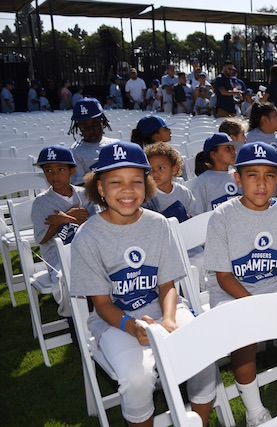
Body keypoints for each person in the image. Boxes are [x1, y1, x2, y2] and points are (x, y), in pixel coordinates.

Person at [70, 141, 215, 427]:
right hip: (116, 321)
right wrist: (132, 327)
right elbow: (101, 304)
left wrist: (170, 320)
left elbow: (167, 285)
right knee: (138, 378)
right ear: (99, 188)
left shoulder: (159, 224)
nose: (127, 190)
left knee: (202, 355)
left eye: (136, 181)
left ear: (147, 185)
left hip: (164, 309)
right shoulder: (88, 237)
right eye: (115, 182)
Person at [203, 141, 277, 423]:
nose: (261, 183)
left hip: (275, 285)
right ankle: (254, 410)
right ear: (238, 178)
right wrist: (255, 306)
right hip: (233, 291)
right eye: (252, 175)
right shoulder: (222, 217)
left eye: (269, 175)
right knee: (244, 330)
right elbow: (224, 277)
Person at [32, 146, 94, 322]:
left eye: (60, 169)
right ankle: (73, 319)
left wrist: (66, 217)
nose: (54, 175)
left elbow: (97, 225)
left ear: (72, 170)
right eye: (48, 170)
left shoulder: (84, 194)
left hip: (86, 250)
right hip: (57, 257)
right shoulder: (41, 202)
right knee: (63, 278)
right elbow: (40, 239)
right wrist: (62, 222)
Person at [68, 98, 117, 185]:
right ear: (79, 127)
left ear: (102, 122)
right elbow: (79, 186)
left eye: (95, 125)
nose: (91, 131)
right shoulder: (75, 152)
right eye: (85, 127)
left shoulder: (115, 144)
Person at [143, 142, 197, 222]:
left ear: (174, 169)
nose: (155, 173)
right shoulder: (146, 196)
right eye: (150, 169)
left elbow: (195, 216)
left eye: (161, 168)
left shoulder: (183, 192)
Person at [191, 133, 244, 213]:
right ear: (214, 155)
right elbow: (197, 214)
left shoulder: (239, 175)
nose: (233, 151)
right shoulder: (203, 181)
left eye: (233, 148)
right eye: (227, 148)